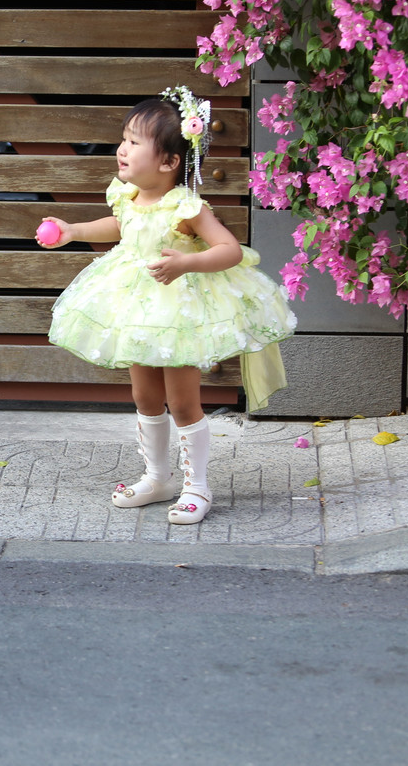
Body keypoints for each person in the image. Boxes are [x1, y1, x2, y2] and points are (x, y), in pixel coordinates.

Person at [38, 87, 296, 525]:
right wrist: (72, 230)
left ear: (169, 161)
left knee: (182, 402)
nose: (122, 149)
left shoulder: (185, 205)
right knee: (144, 394)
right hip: (136, 308)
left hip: (177, 313)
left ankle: (197, 486)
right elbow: (117, 226)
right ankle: (157, 477)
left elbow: (230, 250)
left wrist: (187, 262)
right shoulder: (126, 196)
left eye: (134, 142)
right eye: (123, 139)